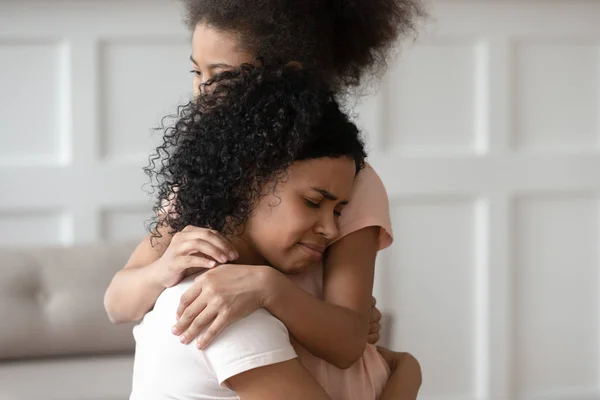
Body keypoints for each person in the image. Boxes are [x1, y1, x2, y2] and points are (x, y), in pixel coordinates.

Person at [105, 1, 424, 399]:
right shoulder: (204, 180)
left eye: (220, 75)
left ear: (282, 77)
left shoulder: (347, 180)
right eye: (196, 71)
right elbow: (117, 303)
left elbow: (347, 341)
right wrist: (164, 268)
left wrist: (271, 287)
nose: (202, 92)